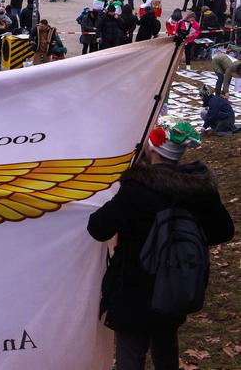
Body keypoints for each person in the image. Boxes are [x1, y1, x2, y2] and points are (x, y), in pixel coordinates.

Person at [87, 122, 234, 370]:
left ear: (152, 150)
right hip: (178, 287)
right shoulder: (198, 189)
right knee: (166, 348)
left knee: (131, 356)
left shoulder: (137, 189)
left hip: (133, 292)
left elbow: (98, 228)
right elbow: (223, 231)